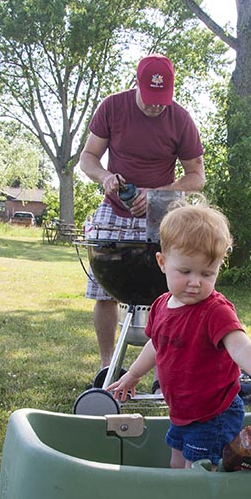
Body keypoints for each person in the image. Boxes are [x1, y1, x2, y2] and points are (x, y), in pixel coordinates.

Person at [107, 201, 251, 469]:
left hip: (213, 413)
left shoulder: (215, 311)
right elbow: (156, 345)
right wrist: (133, 374)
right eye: (185, 272)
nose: (195, 282)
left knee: (198, 470)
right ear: (162, 262)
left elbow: (241, 347)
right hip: (183, 411)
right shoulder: (161, 304)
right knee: (177, 462)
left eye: (207, 273)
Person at [79, 54, 205, 368]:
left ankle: (165, 368)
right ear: (137, 84)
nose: (155, 106)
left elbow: (196, 177)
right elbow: (88, 157)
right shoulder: (112, 107)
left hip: (163, 212)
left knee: (172, 290)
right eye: (150, 99)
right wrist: (105, 177)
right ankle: (108, 365)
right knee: (103, 291)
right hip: (114, 208)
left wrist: (156, 194)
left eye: (162, 100)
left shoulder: (180, 119)